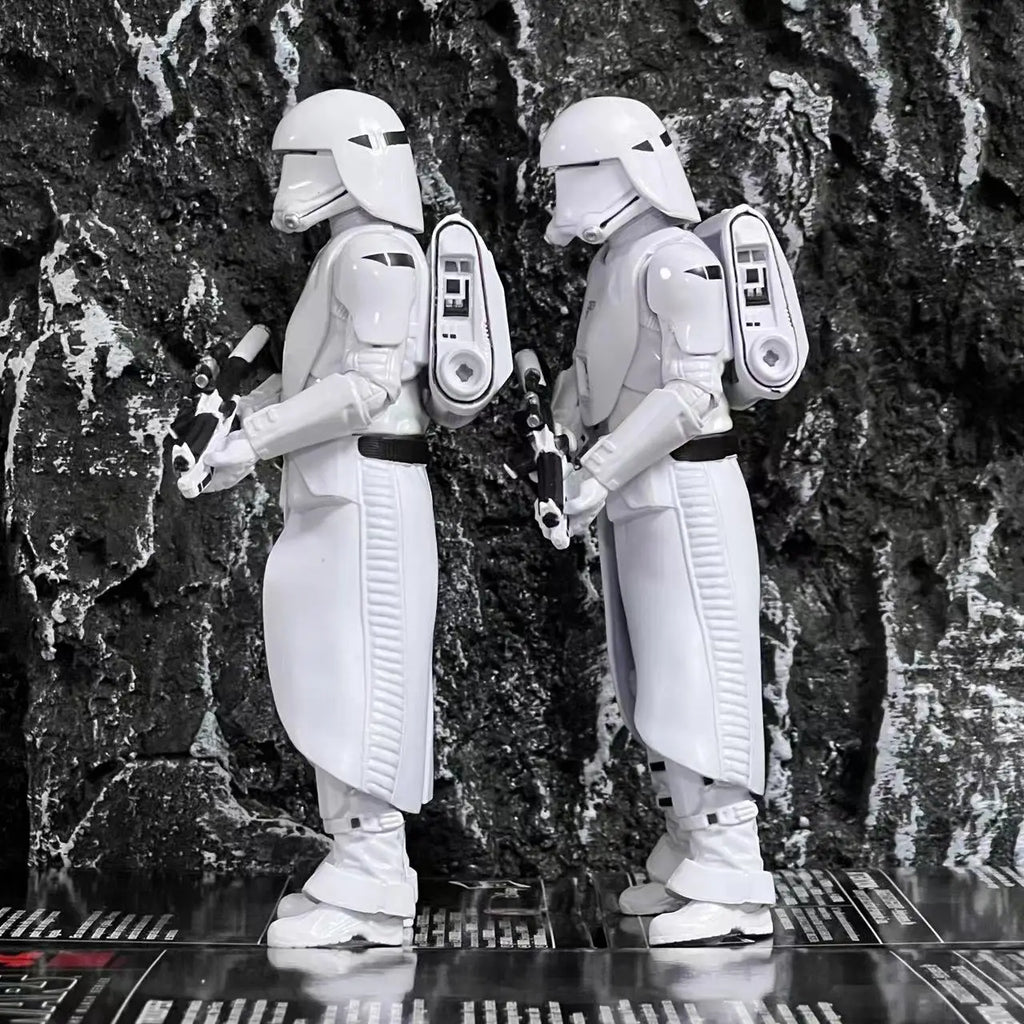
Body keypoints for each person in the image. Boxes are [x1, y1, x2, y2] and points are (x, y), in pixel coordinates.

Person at [202, 89, 508, 947]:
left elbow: (368, 388)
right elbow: (325, 383)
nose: (291, 181)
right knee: (331, 676)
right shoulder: (353, 250)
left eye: (305, 161)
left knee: (362, 680)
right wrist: (247, 424)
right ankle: (360, 862)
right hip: (339, 489)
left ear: (352, 164)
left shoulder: (378, 252)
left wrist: (255, 437)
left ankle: (373, 874)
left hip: (365, 490)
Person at [537, 96, 805, 945]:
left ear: (624, 171)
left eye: (575, 174)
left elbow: (690, 394)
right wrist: (566, 423)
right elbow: (605, 375)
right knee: (651, 677)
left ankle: (730, 870)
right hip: (635, 493)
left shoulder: (678, 262)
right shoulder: (617, 261)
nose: (564, 193)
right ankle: (688, 847)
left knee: (698, 678)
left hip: (683, 490)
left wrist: (597, 469)